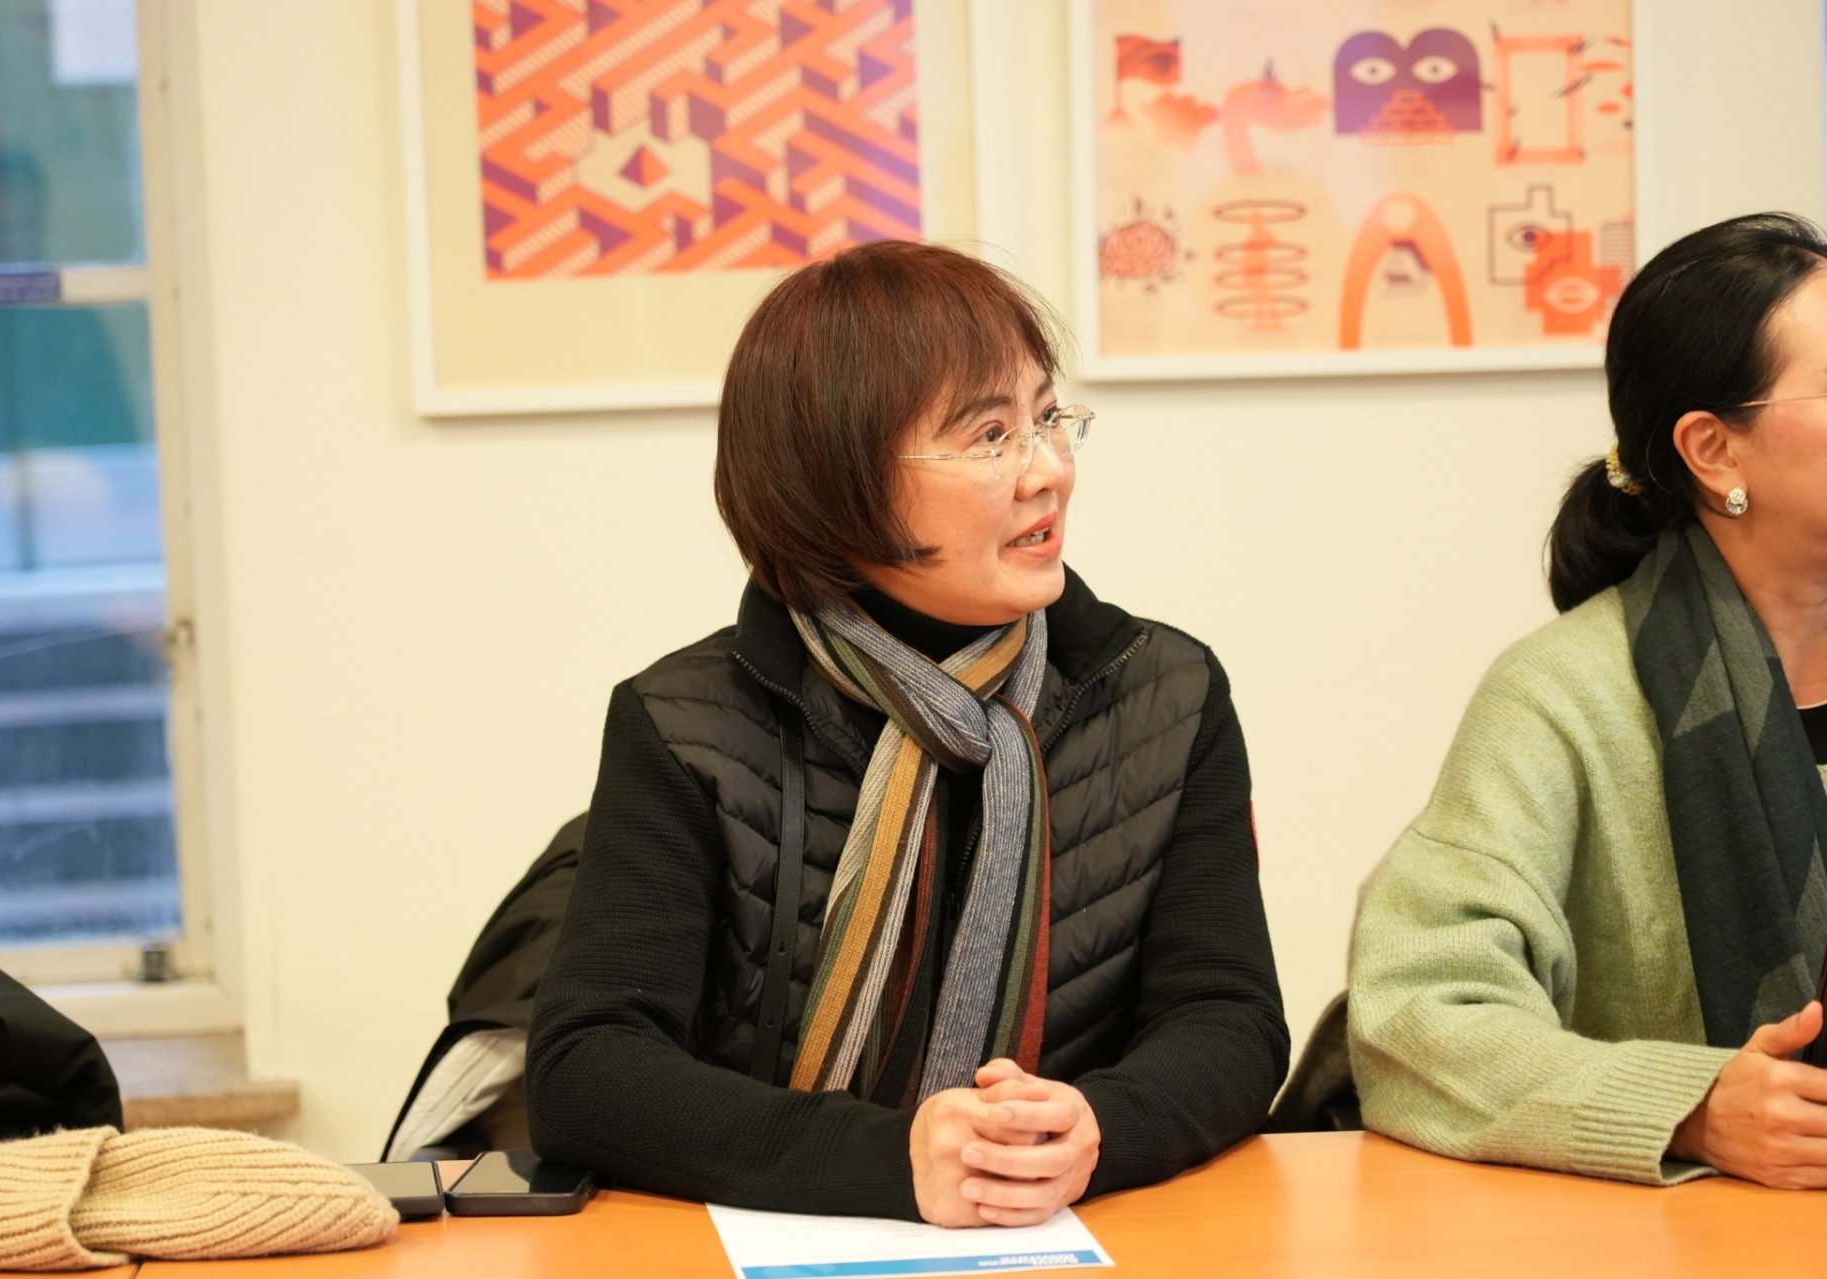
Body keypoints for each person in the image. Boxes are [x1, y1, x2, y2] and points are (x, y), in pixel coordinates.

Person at [525, 240, 1287, 1225]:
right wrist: (892, 1161)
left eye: (1048, 419)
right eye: (990, 436)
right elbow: (587, 1068)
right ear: (834, 481)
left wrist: (1097, 1127)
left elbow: (1229, 1020)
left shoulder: (1163, 692)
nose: (1049, 471)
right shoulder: (686, 720)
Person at [1349, 212, 1827, 1190]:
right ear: (1713, 450)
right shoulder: (1563, 696)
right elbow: (1417, 1012)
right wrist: (1688, 1108)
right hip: (1696, 1237)